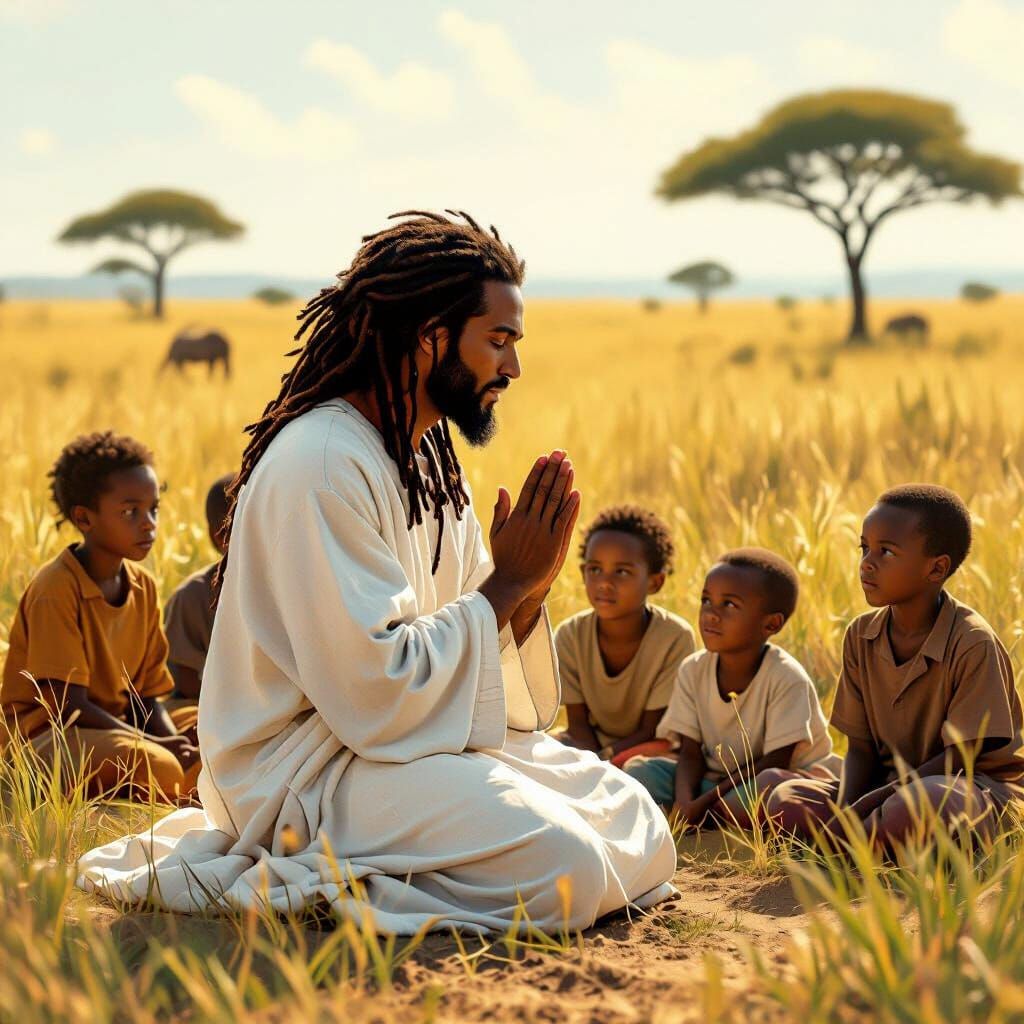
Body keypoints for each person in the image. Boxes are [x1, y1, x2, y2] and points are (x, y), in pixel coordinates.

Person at [77, 211, 677, 934]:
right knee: (570, 868)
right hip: (307, 773)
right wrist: (507, 585)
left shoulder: (427, 459)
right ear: (431, 337)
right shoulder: (322, 463)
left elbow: (477, 660)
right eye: (498, 340)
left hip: (412, 744)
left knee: (638, 820)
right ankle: (339, 882)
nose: (513, 368)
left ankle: (415, 861)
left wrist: (529, 590)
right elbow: (373, 689)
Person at [768, 485, 1024, 849]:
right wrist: (845, 811)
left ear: (936, 568)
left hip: (971, 790)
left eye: (886, 552)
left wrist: (866, 807)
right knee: (786, 799)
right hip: (888, 787)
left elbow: (960, 760)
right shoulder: (860, 635)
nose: (867, 563)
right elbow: (860, 750)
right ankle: (867, 842)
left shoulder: (973, 642)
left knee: (919, 804)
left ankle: (861, 843)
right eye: (864, 548)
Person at [1, 432, 200, 802]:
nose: (149, 523)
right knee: (158, 764)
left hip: (115, 728)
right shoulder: (56, 589)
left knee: (213, 729)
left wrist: (176, 741)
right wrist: (160, 746)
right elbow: (68, 707)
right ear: (84, 518)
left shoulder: (143, 586)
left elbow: (145, 699)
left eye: (154, 509)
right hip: (47, 739)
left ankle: (172, 781)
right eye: (130, 512)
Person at [625, 548, 835, 829]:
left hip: (773, 781)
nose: (711, 614)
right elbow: (690, 753)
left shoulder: (786, 677)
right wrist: (685, 801)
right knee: (640, 772)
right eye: (706, 600)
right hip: (715, 781)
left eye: (730, 605)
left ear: (771, 624)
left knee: (771, 789)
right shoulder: (693, 669)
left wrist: (702, 802)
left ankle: (711, 815)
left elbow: (776, 762)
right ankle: (711, 816)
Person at [554, 505, 695, 763]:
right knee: (539, 749)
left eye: (622, 572)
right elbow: (578, 726)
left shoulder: (674, 638)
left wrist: (604, 761)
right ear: (583, 573)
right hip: (591, 744)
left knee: (643, 769)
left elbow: (652, 729)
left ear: (655, 582)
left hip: (649, 747)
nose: (605, 583)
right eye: (595, 569)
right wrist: (592, 763)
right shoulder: (570, 635)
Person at [163, 473, 234, 700]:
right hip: (205, 707)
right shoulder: (192, 597)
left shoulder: (284, 586)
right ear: (220, 537)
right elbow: (186, 683)